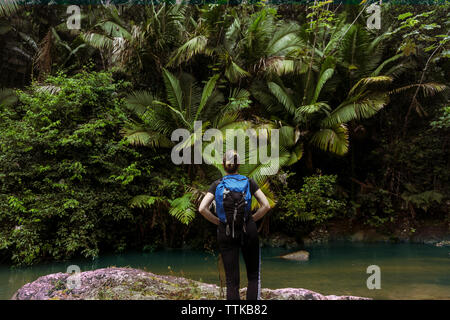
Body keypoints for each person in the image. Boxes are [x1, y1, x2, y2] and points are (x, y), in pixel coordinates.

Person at [198, 150, 271, 300]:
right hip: (248, 229)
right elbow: (266, 206)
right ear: (239, 164)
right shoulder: (249, 182)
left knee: (231, 282)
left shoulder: (217, 184)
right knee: (253, 277)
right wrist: (251, 219)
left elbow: (202, 209)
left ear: (224, 165)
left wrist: (218, 221)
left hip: (225, 230)